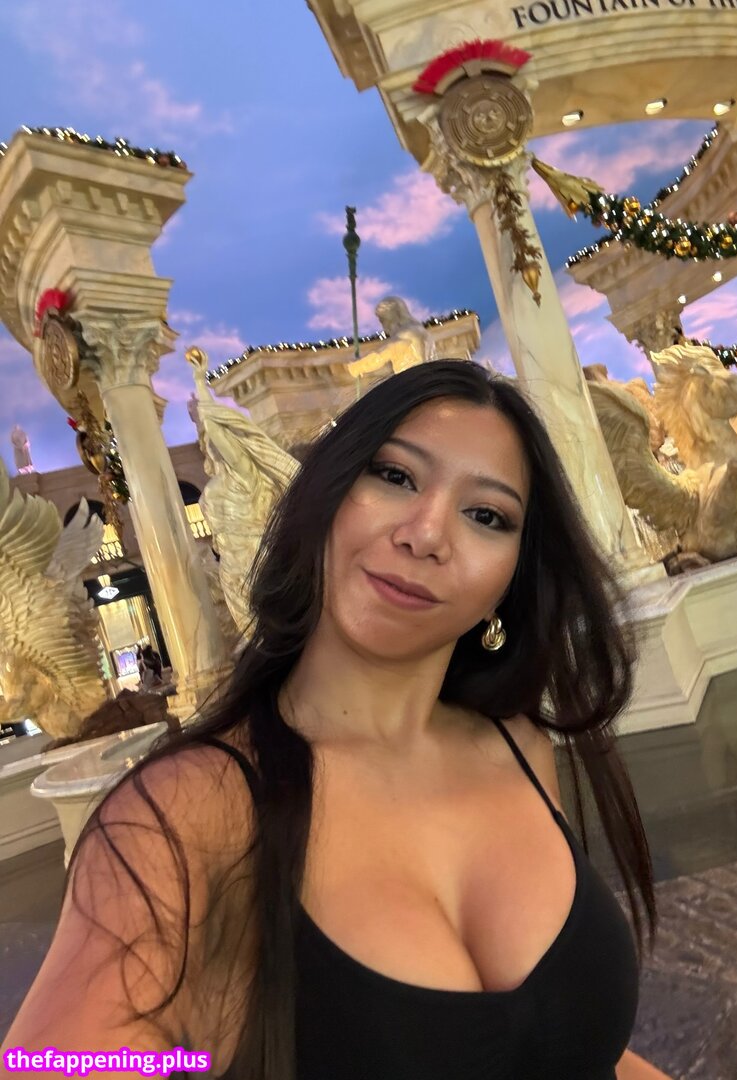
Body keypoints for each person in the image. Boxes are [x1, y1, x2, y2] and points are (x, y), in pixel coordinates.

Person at [2, 360, 669, 1080]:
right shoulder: (192, 813)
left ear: (510, 579)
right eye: (395, 476)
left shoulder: (519, 747)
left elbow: (575, 1052)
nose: (426, 533)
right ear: (325, 496)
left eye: (487, 516)